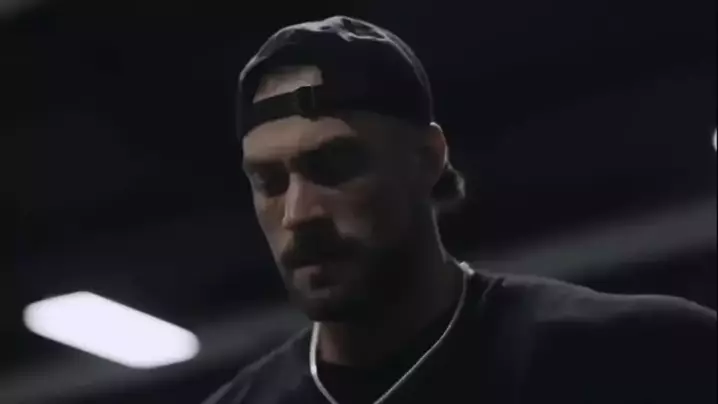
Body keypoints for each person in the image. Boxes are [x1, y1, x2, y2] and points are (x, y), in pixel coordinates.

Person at [203, 15, 716, 404]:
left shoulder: (644, 355)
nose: (298, 213)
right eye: (269, 181)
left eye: (334, 166)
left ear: (428, 158)